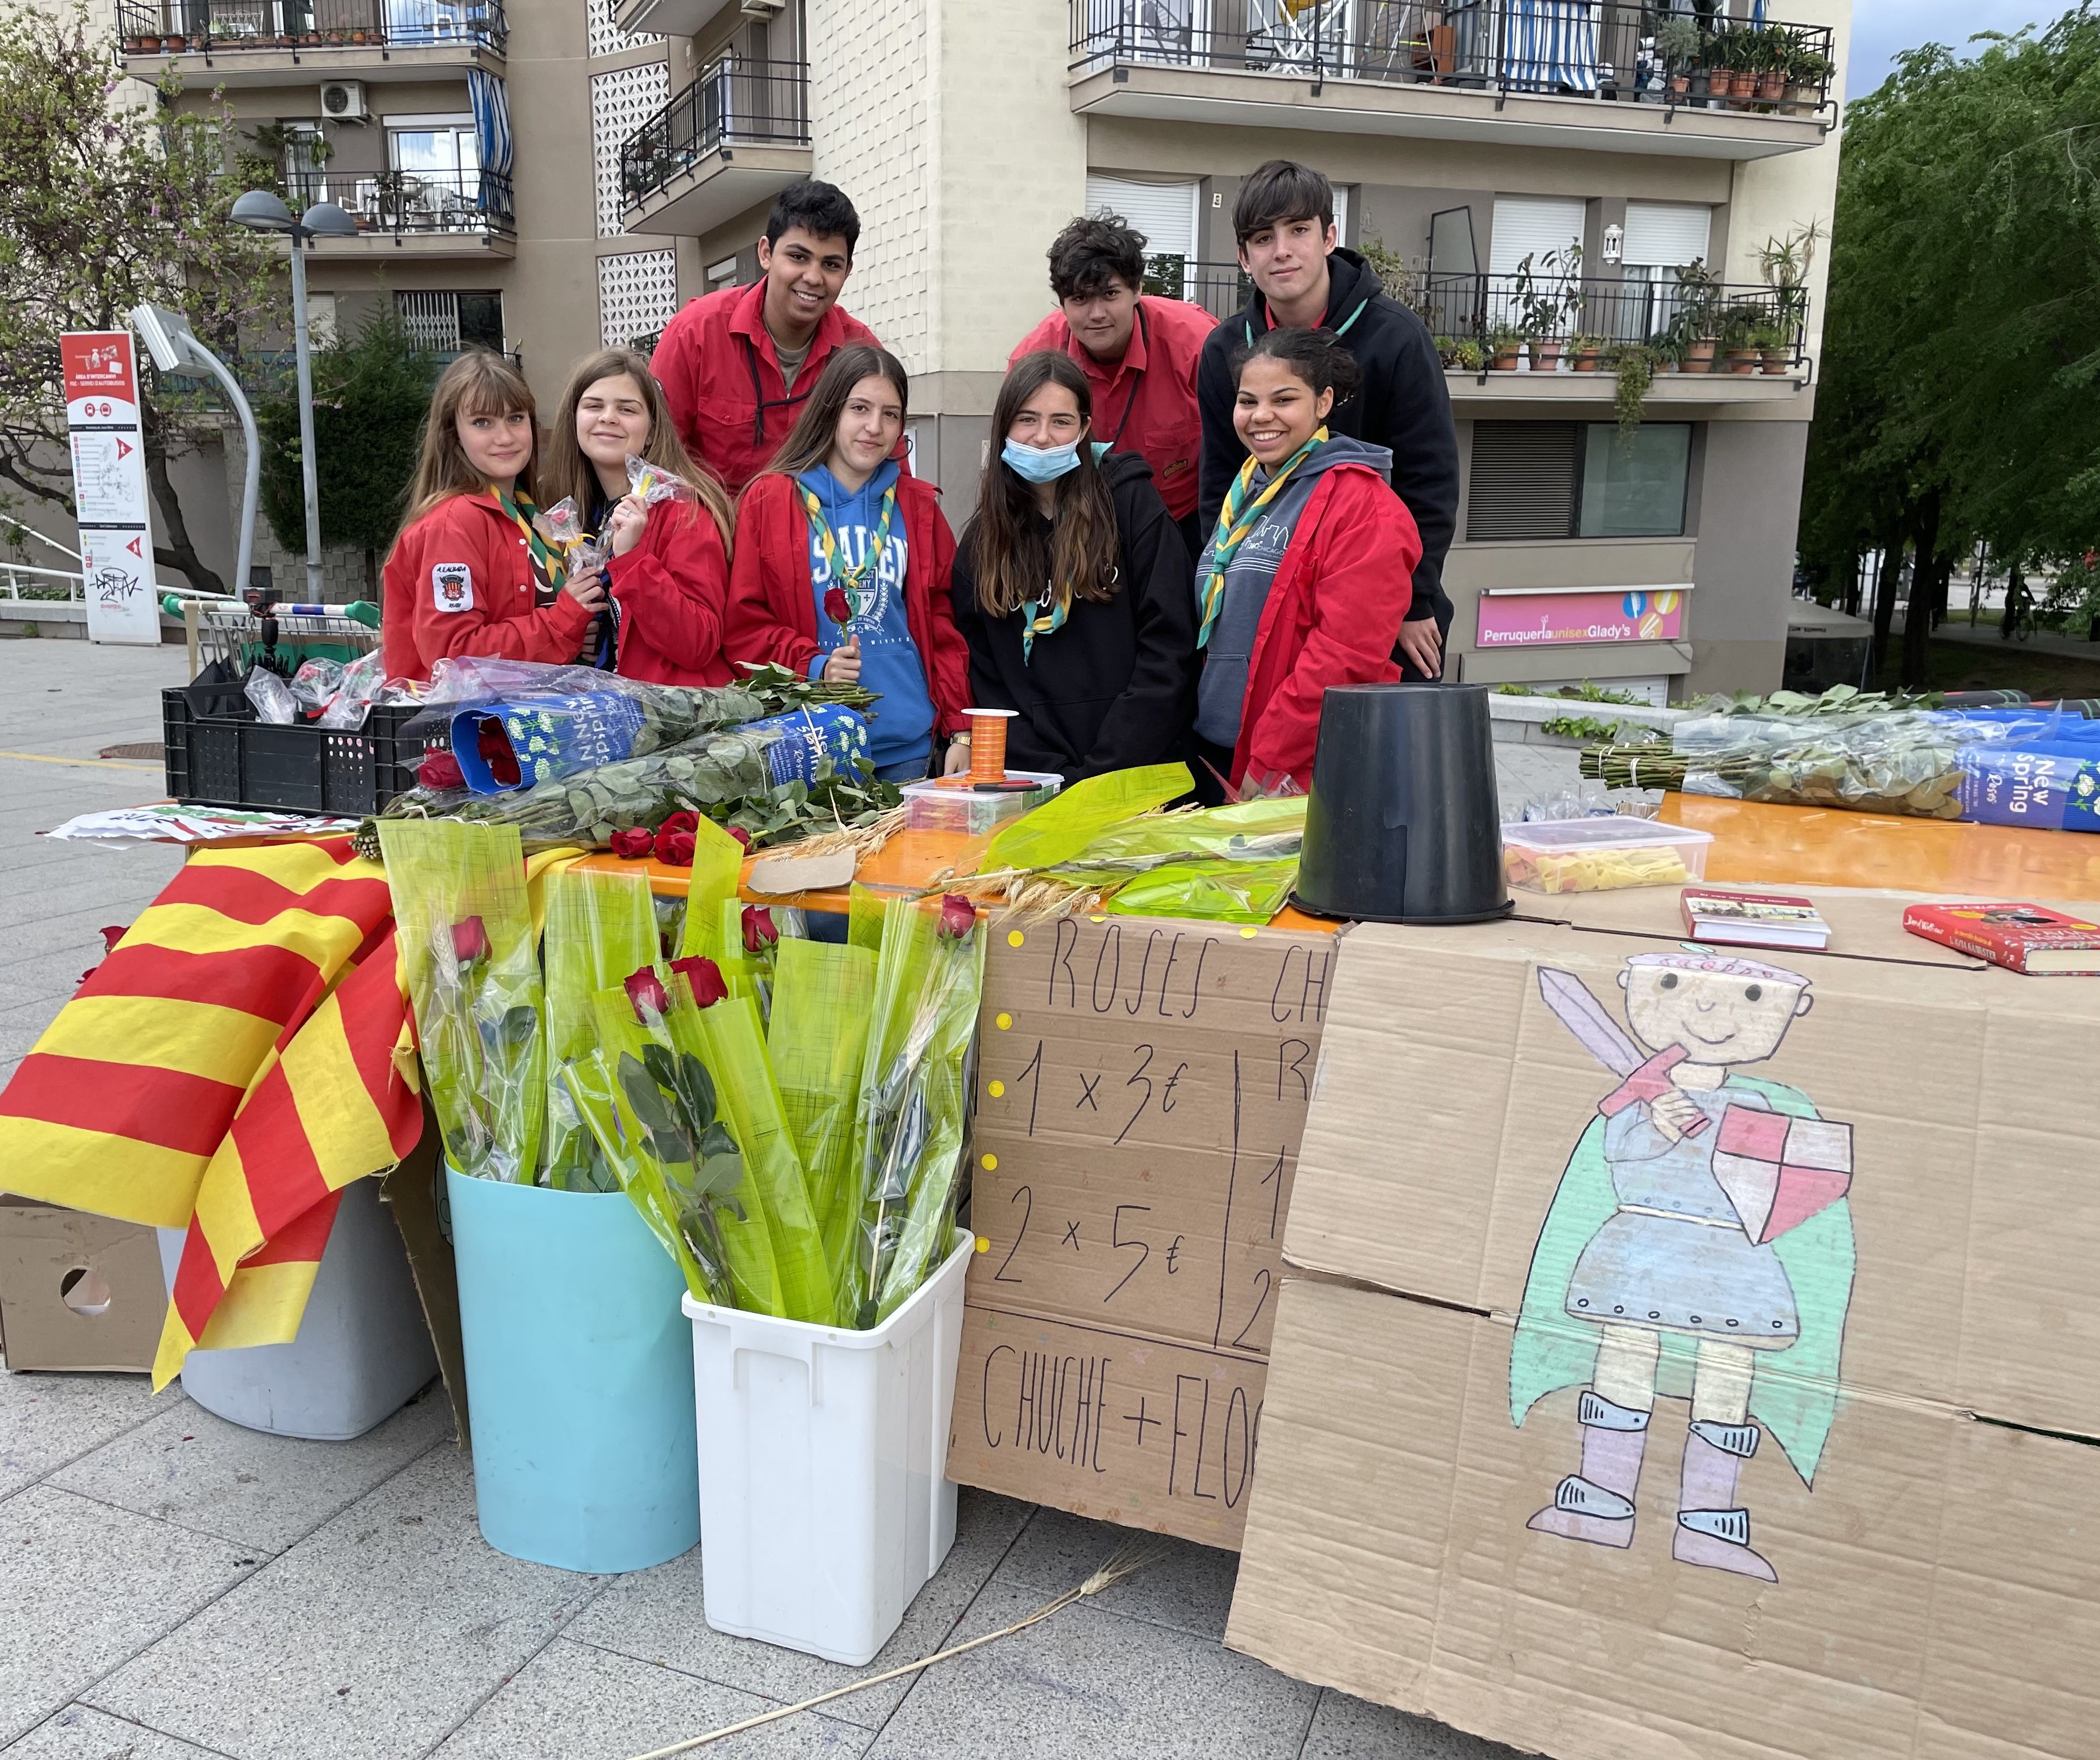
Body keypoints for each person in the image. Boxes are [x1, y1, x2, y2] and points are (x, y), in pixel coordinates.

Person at [1196, 158, 1457, 683]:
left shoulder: (1397, 338)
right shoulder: (1224, 350)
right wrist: (1219, 595)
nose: (1283, 250)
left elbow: (1429, 482)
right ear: (1244, 257)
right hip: (1262, 596)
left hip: (1375, 597)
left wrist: (1414, 599)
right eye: (1263, 239)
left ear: (1329, 235)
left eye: (1299, 231)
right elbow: (1219, 486)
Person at [1190, 328, 1423, 801]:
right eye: (1247, 401)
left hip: (1292, 771)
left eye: (1284, 399)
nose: (1261, 417)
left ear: (1323, 402)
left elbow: (1345, 658)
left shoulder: (1365, 507)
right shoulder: (1244, 494)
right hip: (1219, 750)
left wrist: (1270, 762)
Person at [725, 345, 973, 781]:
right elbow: (744, 627)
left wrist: (960, 729)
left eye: (890, 414)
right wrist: (814, 667)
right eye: (860, 408)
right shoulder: (770, 500)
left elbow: (944, 627)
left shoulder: (918, 507)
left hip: (907, 748)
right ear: (831, 410)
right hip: (810, 747)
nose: (874, 427)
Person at [950, 351, 1196, 785]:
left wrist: (1105, 771)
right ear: (1004, 427)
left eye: (1061, 421)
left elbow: (1169, 648)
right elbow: (988, 680)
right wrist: (1050, 775)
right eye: (1027, 419)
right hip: (1035, 780)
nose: (1043, 437)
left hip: (1136, 773)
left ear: (1083, 429)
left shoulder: (1131, 506)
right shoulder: (981, 543)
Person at [379, 350, 604, 682]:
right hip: (464, 732)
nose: (505, 438)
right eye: (482, 422)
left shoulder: (530, 515)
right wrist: (562, 620)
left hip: (516, 725)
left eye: (515, 418)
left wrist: (574, 632)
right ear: (454, 435)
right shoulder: (451, 524)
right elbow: (454, 659)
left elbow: (538, 630)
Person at [651, 181, 882, 496]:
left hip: (820, 539)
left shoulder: (861, 352)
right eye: (799, 257)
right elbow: (654, 461)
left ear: (847, 270)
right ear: (766, 253)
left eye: (830, 264)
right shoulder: (695, 333)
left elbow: (889, 473)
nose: (813, 277)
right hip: (713, 534)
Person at [1009, 213, 1216, 563]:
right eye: (1079, 299)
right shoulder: (1032, 360)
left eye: (1110, 294)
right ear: (1061, 303)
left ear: (1137, 290)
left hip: (1185, 526)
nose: (1097, 313)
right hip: (1077, 527)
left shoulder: (1199, 344)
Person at [539, 347, 737, 686]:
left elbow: (699, 642)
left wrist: (633, 561)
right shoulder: (573, 513)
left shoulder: (685, 512)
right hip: (605, 716)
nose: (608, 417)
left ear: (652, 428)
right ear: (574, 420)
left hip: (666, 720)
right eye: (594, 405)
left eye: (627, 409)